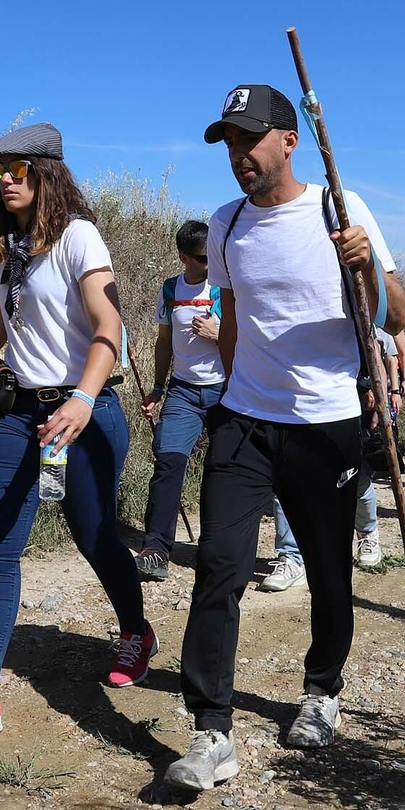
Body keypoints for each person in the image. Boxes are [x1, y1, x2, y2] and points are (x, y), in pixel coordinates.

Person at [165, 84, 405, 792]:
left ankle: (322, 689)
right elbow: (234, 316)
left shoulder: (338, 205)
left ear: (289, 141)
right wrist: (227, 392)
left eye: (250, 139)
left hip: (325, 423)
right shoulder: (226, 223)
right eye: (231, 143)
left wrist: (362, 264)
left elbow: (393, 315)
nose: (239, 154)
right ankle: (211, 729)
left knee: (330, 572)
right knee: (219, 565)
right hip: (244, 419)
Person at [0, 123, 155, 742]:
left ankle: (135, 629)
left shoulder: (78, 238)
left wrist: (82, 398)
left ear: (46, 173)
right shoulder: (3, 251)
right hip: (20, 413)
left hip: (87, 413)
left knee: (94, 535)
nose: (6, 179)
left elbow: (108, 324)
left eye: (18, 169)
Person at [266, 325, 395, 589]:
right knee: (285, 480)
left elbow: (372, 345)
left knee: (355, 476)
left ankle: (367, 533)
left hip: (346, 399)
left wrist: (376, 389)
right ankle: (291, 556)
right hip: (287, 400)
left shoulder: (343, 292)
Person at [133, 220, 225, 581]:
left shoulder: (224, 288)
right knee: (168, 463)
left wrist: (219, 334)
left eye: (213, 255)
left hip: (225, 392)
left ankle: (217, 549)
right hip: (183, 391)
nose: (210, 263)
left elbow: (247, 339)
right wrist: (157, 387)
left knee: (222, 472)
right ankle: (155, 549)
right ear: (184, 257)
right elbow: (163, 341)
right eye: (204, 258)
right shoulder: (170, 289)